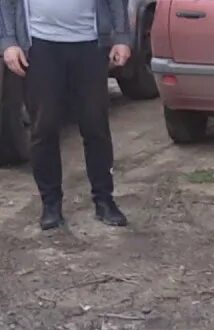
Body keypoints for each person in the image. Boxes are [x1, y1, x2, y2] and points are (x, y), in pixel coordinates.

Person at [1, 0, 131, 230]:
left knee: (95, 126)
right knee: (44, 127)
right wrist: (9, 41)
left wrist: (121, 37)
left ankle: (104, 201)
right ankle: (51, 205)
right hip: (40, 47)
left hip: (90, 45)